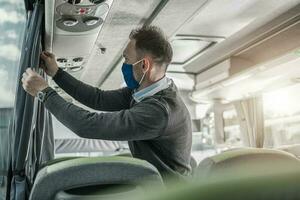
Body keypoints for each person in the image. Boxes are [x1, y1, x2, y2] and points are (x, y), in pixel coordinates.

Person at [21, 26, 192, 182]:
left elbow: (88, 126)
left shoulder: (158, 112)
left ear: (145, 65)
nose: (124, 64)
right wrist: (57, 73)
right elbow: (98, 98)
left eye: (126, 59)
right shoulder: (145, 91)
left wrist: (44, 93)